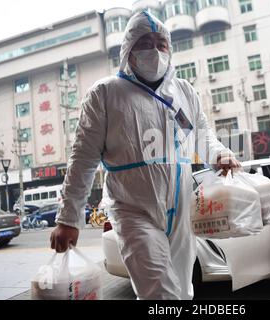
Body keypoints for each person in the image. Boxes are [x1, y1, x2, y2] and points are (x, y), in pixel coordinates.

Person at [49, 11, 240, 300]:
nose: (154, 49)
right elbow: (83, 158)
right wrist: (68, 218)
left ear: (170, 49)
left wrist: (220, 154)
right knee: (159, 293)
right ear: (128, 50)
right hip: (132, 210)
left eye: (161, 43)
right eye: (145, 42)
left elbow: (201, 132)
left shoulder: (184, 91)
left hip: (181, 208)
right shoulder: (104, 93)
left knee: (182, 289)